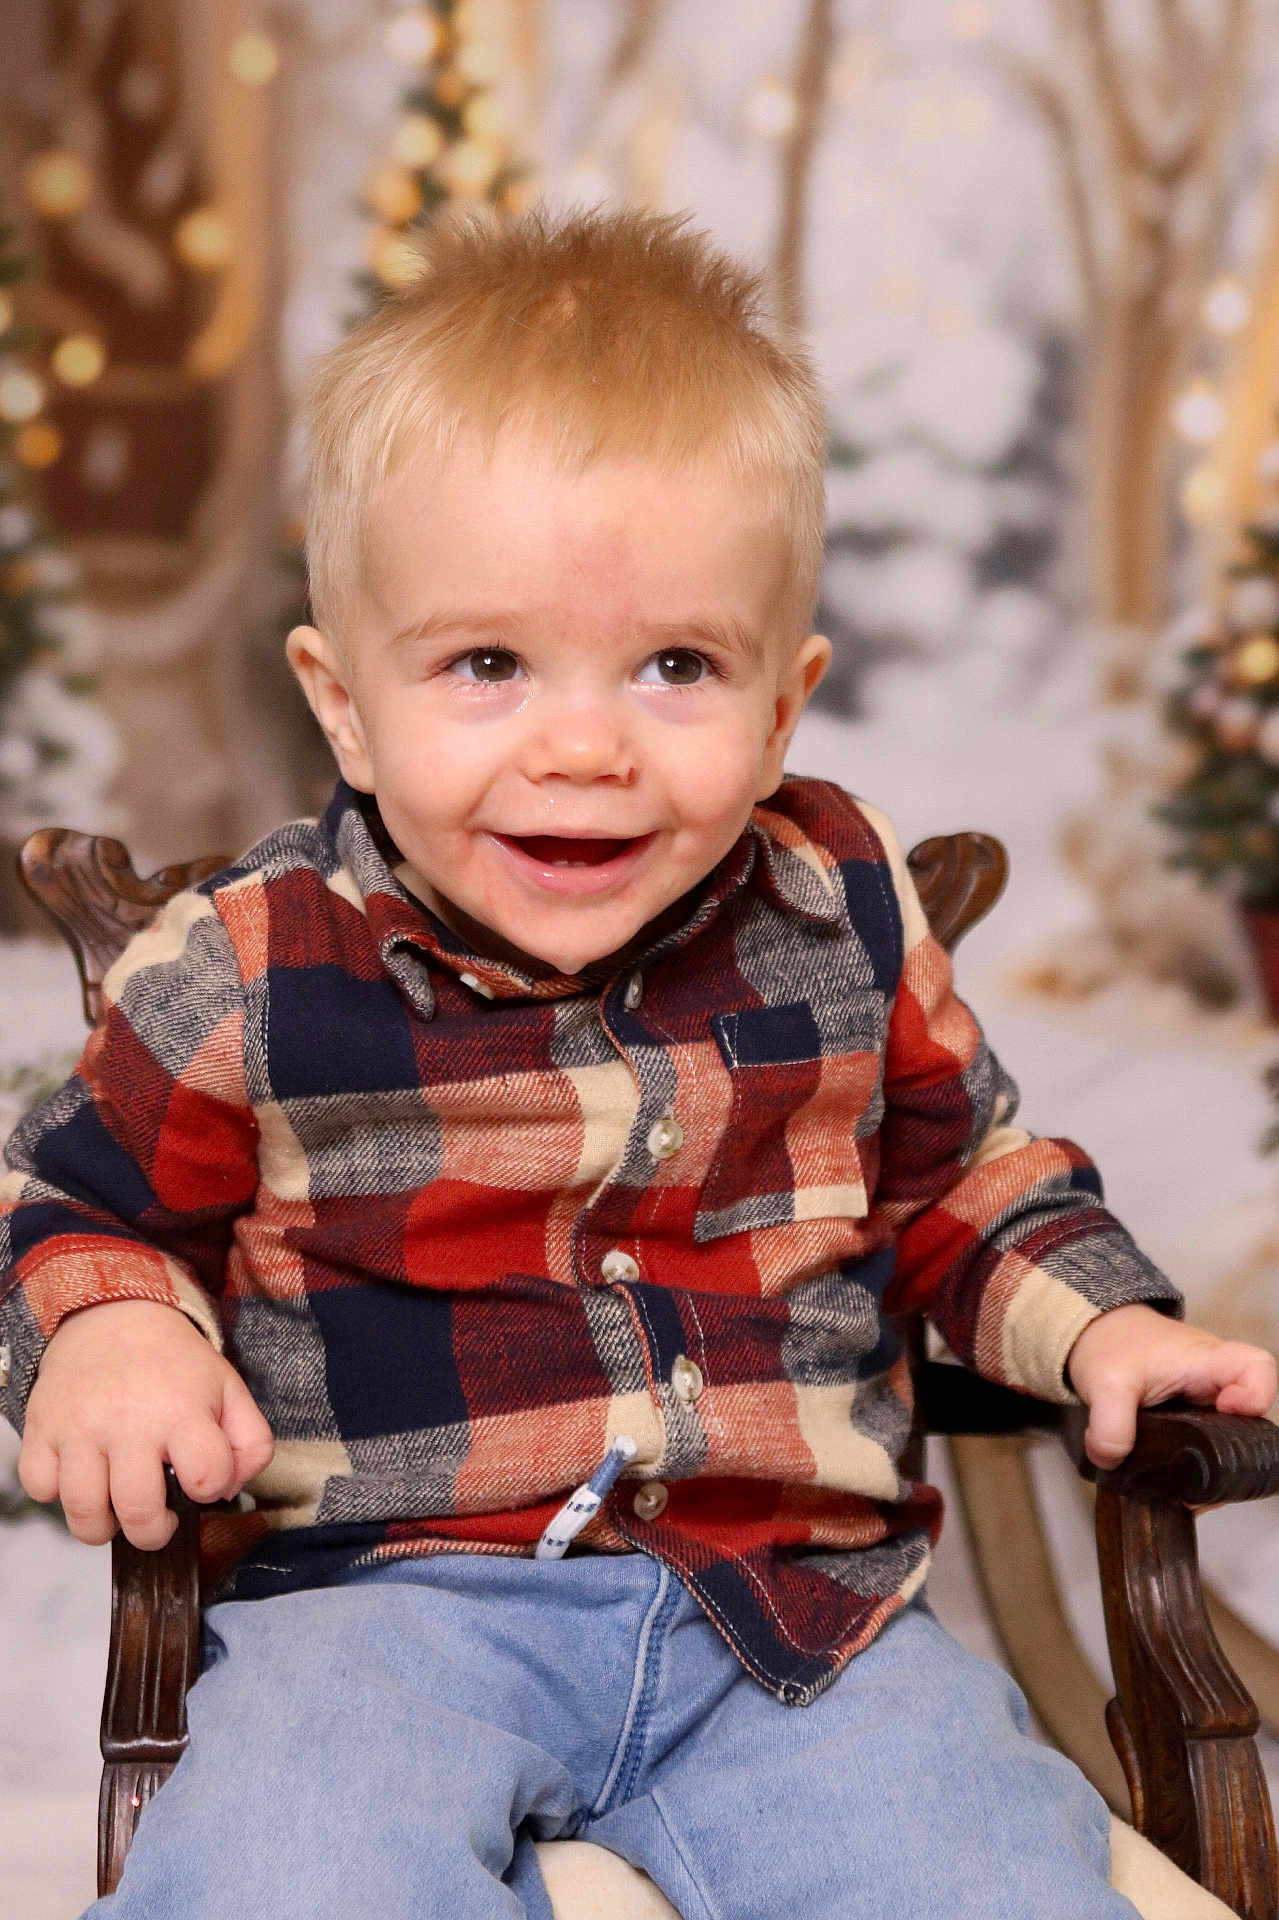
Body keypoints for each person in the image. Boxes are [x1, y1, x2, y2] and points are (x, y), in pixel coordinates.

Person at [1, 204, 1274, 1920]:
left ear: (783, 703)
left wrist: (1106, 1321)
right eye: (487, 664)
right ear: (346, 700)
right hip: (388, 1613)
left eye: (677, 665)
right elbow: (72, 1207)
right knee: (286, 1868)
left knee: (981, 1871)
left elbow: (963, 1181)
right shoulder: (247, 966)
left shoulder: (836, 913)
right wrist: (112, 1332)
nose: (585, 745)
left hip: (801, 1635)